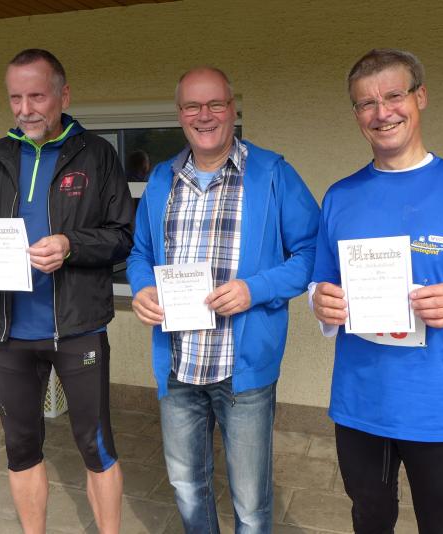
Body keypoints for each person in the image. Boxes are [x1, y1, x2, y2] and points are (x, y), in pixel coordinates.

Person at [311, 49, 443, 534]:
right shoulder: (340, 196)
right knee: (369, 520)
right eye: (366, 103)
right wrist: (320, 301)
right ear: (357, 114)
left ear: (420, 97)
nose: (381, 113)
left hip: (439, 404)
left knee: (442, 524)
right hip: (361, 402)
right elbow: (320, 284)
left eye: (393, 96)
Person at [126, 67, 319, 533]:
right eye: (192, 106)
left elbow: (313, 253)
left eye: (215, 104)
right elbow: (140, 254)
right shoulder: (161, 180)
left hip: (242, 371)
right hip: (178, 366)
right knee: (186, 486)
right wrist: (141, 287)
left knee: (250, 502)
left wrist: (256, 289)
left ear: (233, 109)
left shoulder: (272, 174)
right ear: (180, 114)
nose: (204, 115)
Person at [0, 49, 133, 534]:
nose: (25, 109)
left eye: (36, 96)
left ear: (64, 95)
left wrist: (70, 244)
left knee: (95, 446)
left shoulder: (97, 155)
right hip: (10, 331)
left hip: (78, 328)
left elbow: (123, 236)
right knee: (20, 449)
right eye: (15, 98)